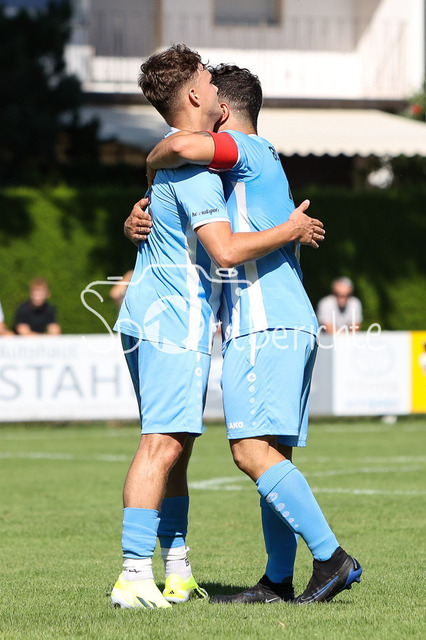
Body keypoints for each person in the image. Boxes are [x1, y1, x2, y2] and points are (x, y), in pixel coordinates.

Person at [110, 44, 325, 610]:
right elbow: (223, 249)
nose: (209, 85)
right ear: (198, 98)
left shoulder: (204, 160)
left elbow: (169, 177)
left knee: (183, 447)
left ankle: (180, 570)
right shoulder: (198, 168)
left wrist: (145, 184)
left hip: (172, 318)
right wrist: (291, 229)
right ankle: (135, 575)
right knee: (168, 445)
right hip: (177, 320)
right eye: (203, 77)